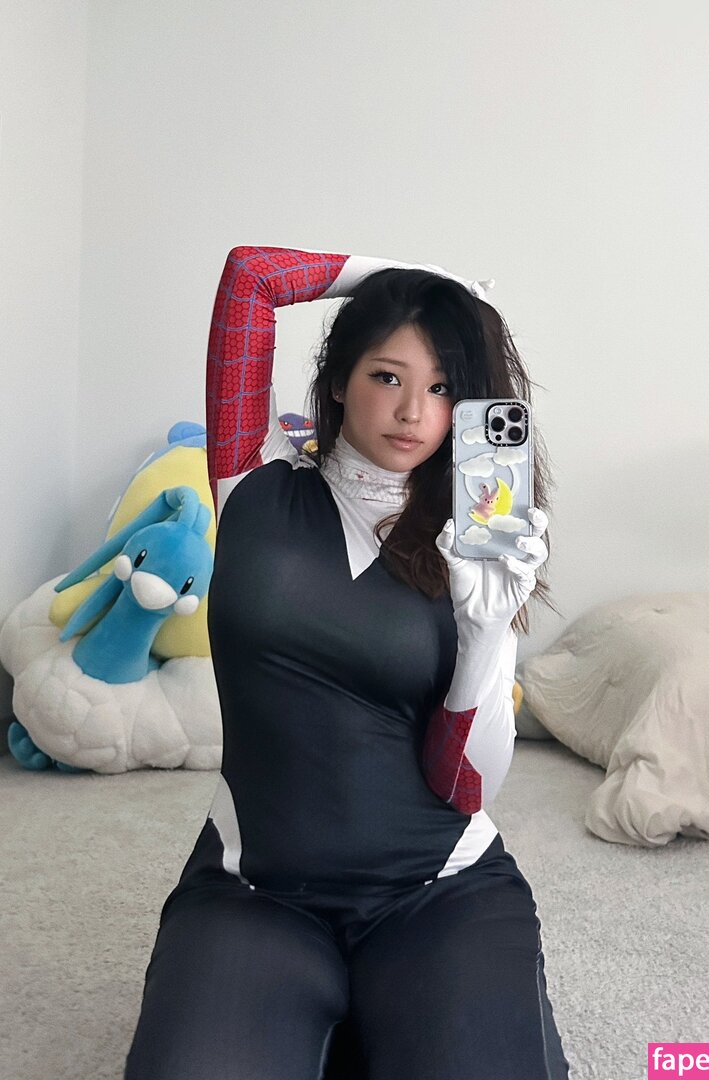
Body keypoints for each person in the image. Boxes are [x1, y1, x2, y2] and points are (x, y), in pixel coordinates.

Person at [123, 245, 571, 1080]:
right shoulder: (252, 480)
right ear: (337, 380)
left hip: (440, 890)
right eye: (387, 376)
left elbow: (466, 787)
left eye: (443, 388)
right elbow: (252, 278)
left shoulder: (479, 543)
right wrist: (427, 283)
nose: (413, 411)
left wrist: (485, 631)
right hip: (254, 889)